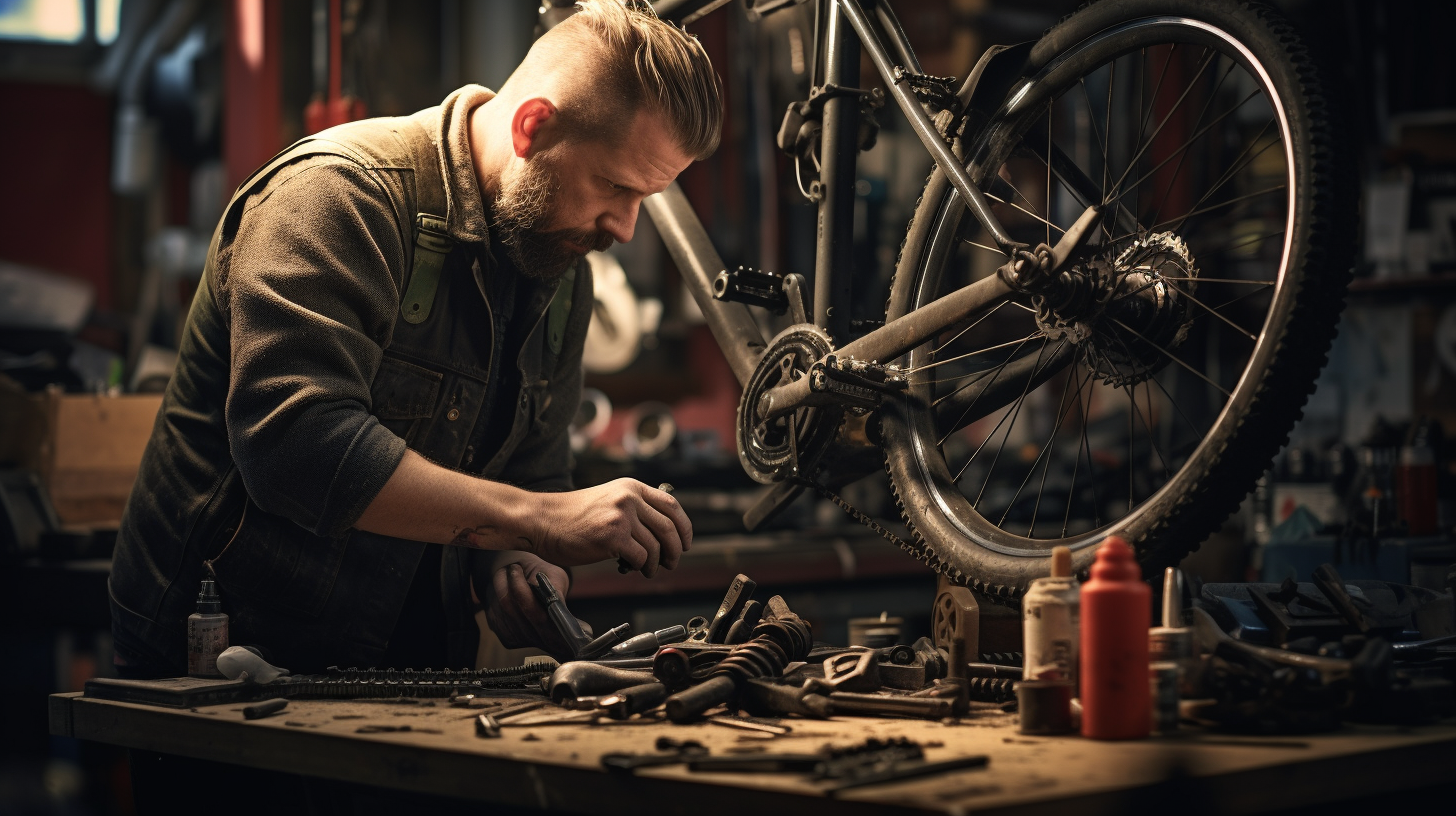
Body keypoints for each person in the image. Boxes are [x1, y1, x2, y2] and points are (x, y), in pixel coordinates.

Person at [109, 0, 721, 676]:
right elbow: (297, 446)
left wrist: (517, 567)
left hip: (407, 665)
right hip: (225, 659)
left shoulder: (558, 261)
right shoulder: (339, 197)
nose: (627, 229)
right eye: (614, 186)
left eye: (645, 200)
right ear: (533, 126)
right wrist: (540, 519)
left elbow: (532, 470)